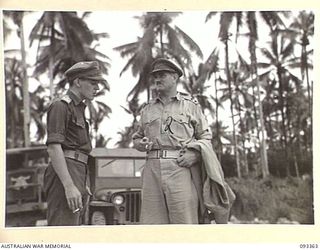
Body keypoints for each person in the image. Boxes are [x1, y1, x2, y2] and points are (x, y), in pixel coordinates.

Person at [133, 58, 235, 224]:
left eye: (162, 75)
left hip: (180, 167)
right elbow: (137, 138)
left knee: (185, 223)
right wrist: (141, 144)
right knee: (152, 226)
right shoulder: (147, 109)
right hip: (151, 169)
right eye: (155, 76)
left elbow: (205, 136)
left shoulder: (190, 106)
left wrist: (195, 154)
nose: (157, 79)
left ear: (175, 77)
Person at [44, 61, 107, 226]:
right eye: (93, 83)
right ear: (78, 82)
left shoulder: (78, 109)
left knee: (74, 230)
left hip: (78, 173)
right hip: (65, 174)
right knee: (62, 231)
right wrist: (69, 186)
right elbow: (53, 147)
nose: (97, 88)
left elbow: (81, 152)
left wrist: (82, 183)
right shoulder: (60, 106)